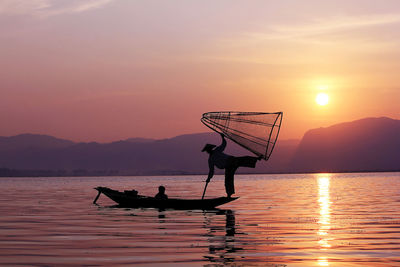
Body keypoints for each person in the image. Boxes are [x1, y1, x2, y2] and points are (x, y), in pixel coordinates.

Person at [202, 133, 261, 198]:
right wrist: (209, 178)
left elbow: (223, 145)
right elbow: (211, 170)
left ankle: (257, 159)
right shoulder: (210, 160)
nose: (208, 151)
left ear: (210, 149)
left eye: (209, 149)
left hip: (231, 161)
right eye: (207, 150)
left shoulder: (217, 151)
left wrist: (223, 138)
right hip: (228, 166)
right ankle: (229, 194)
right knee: (228, 180)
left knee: (243, 159)